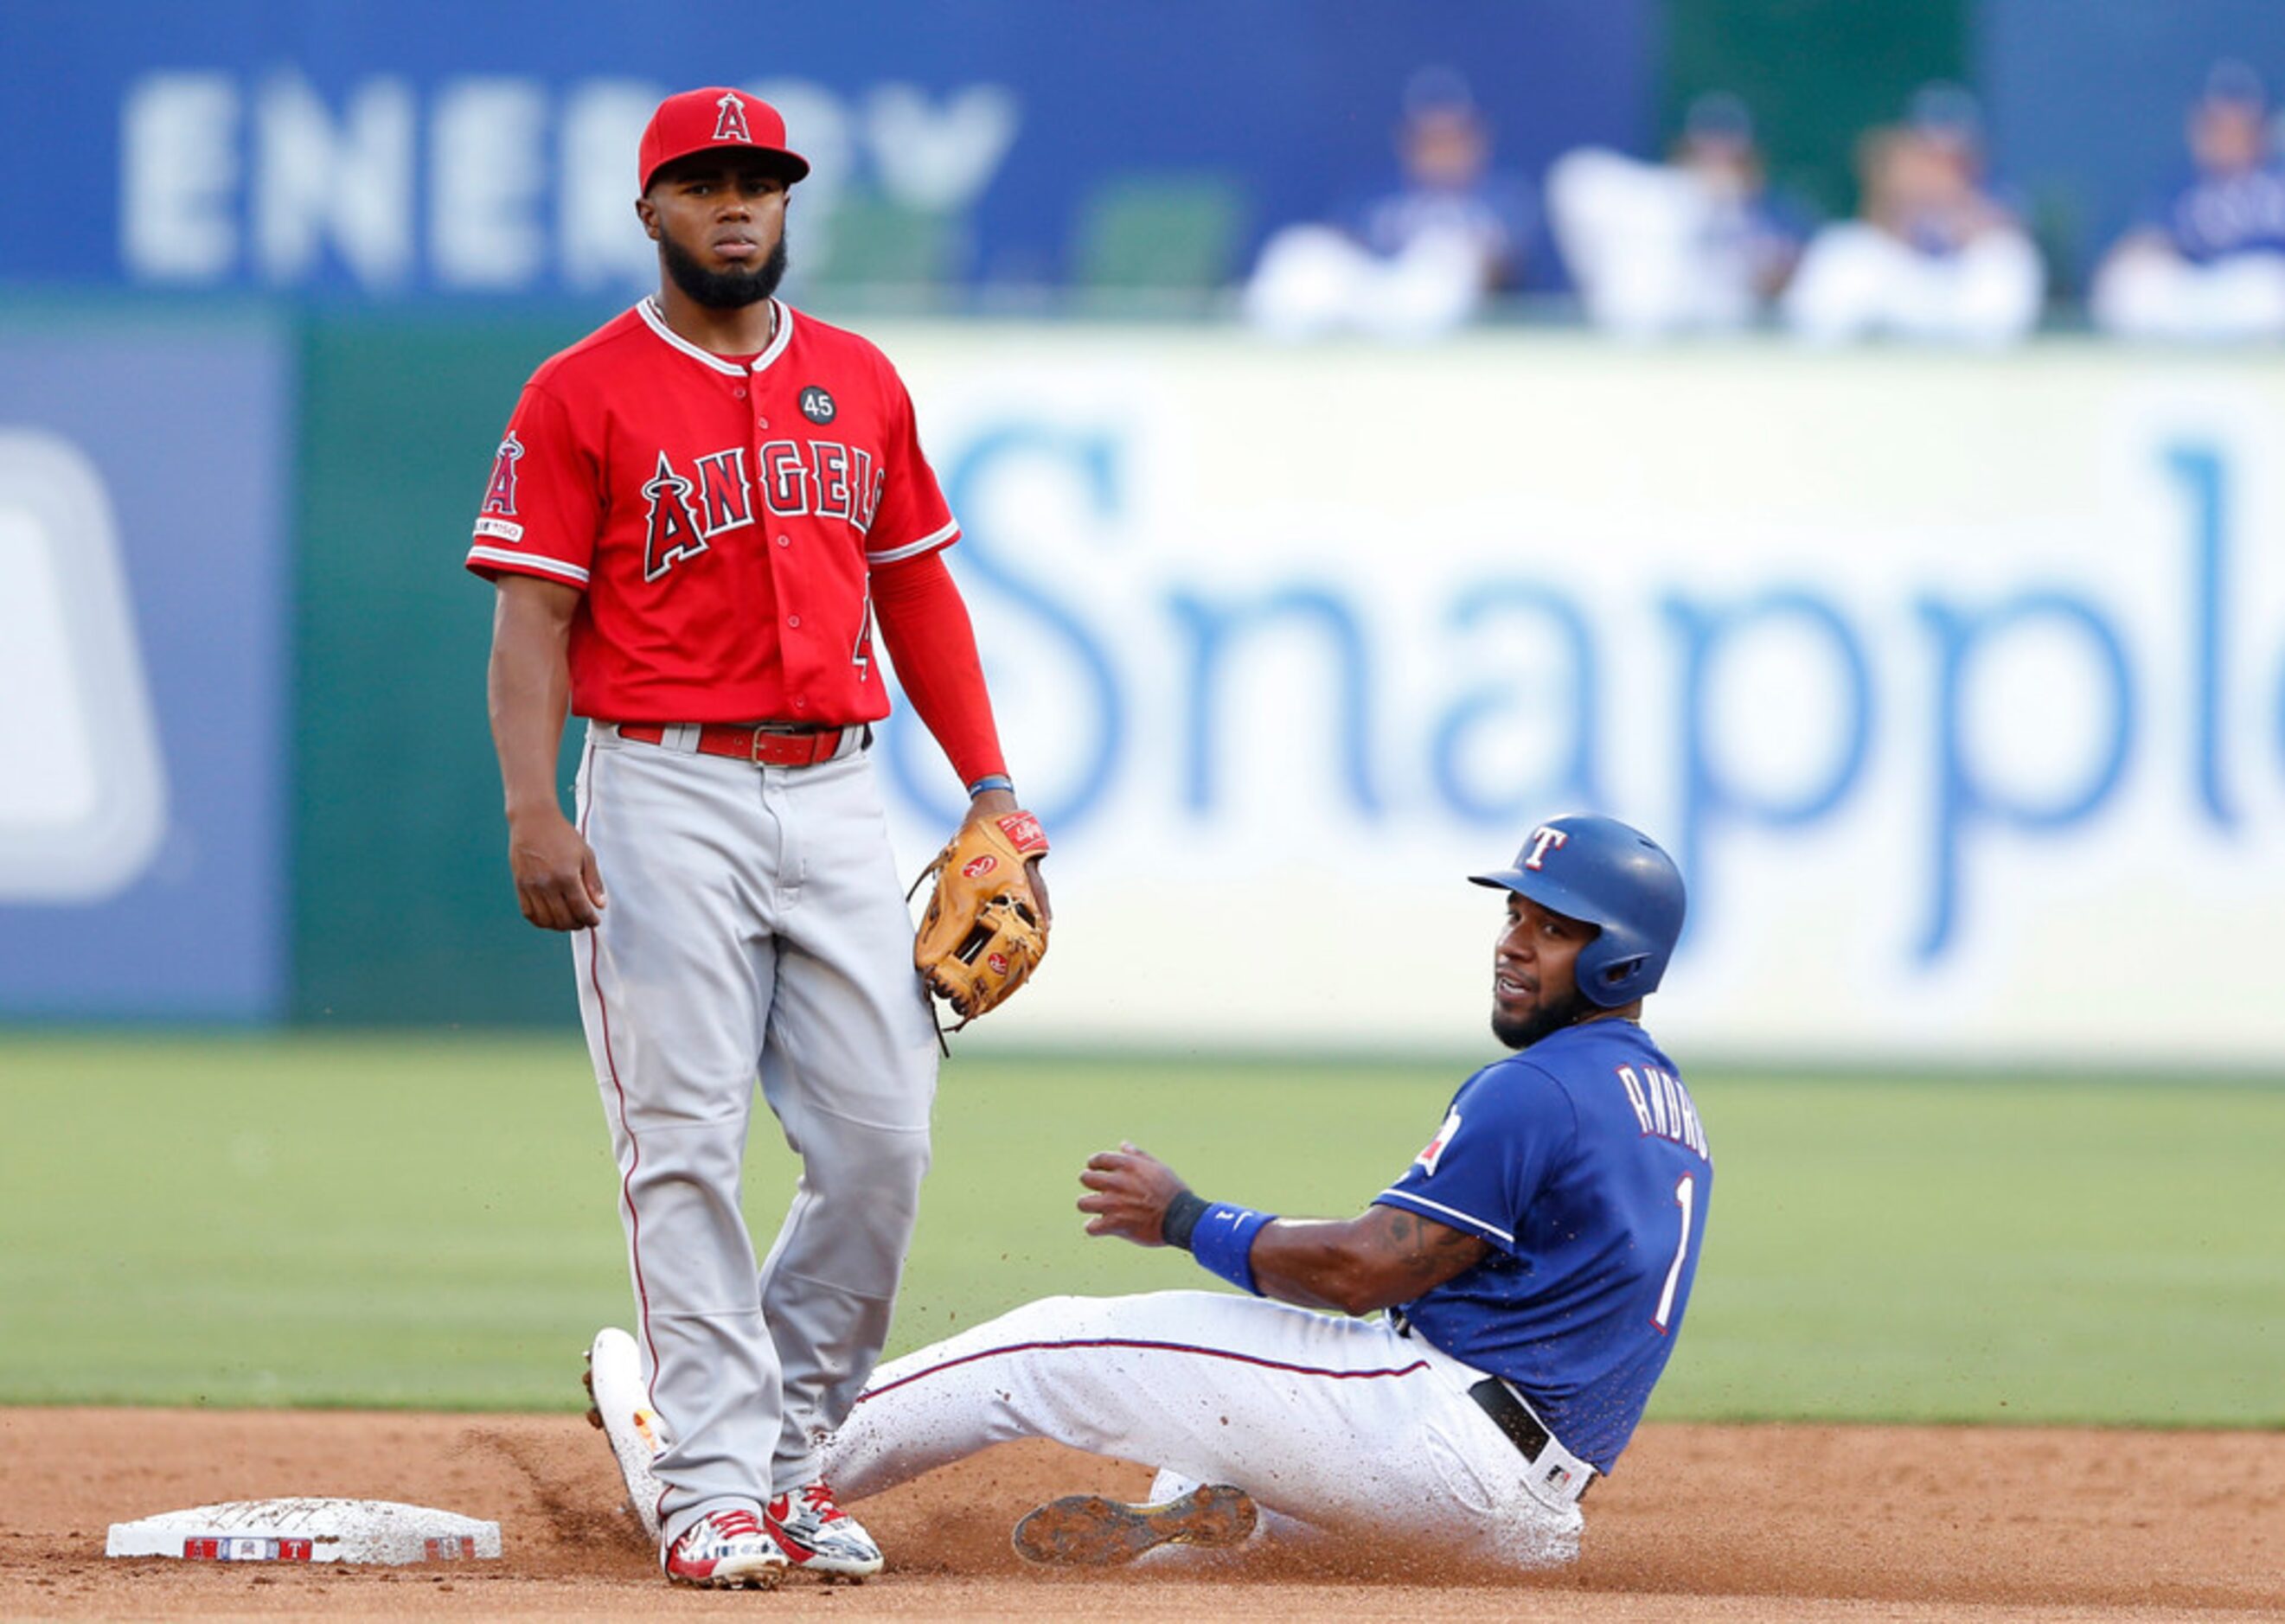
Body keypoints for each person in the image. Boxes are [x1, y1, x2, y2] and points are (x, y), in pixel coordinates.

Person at [470, 86, 1046, 1590]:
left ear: (789, 207)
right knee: (683, 1144)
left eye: (760, 182)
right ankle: (712, 1485)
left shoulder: (857, 379)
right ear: (650, 211)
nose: (735, 205)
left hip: (843, 794)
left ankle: (778, 1461)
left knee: (882, 1141)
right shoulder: (579, 389)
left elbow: (914, 588)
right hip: (661, 789)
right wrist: (536, 803)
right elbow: (530, 618)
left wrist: (986, 784)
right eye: (703, 182)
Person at [589, 813, 1706, 1570]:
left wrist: (1188, 1218)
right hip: (1531, 1520)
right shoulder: (1672, 1118)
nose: (1514, 943)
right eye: (1512, 914)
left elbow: (1366, 1270)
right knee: (1223, 1436)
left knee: (1053, 1345)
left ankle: (739, 1476)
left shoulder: (1539, 1090)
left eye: (1551, 927)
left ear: (1618, 957)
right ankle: (1209, 1522)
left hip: (1436, 1439)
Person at [1242, 67, 1537, 342]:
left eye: (1452, 137)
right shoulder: (1378, 198)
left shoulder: (1502, 196)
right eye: (1430, 139)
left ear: (1477, 140)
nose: (1441, 150)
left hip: (1445, 314)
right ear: (1407, 142)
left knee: (1445, 254)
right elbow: (1346, 245)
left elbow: (1501, 270)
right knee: (1301, 246)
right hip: (1377, 295)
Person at [1783, 83, 2043, 346]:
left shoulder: (2001, 255)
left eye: (1955, 164)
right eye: (1926, 159)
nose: (1937, 177)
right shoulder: (1847, 252)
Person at [1546, 92, 1806, 337]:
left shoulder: (1773, 215)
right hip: (1633, 341)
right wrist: (1694, 194)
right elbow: (1573, 176)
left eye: (1731, 159)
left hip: (1724, 350)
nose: (1717, 167)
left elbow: (1788, 281)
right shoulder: (1651, 201)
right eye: (1704, 155)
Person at [2091, 61, 2285, 342]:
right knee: (2135, 287)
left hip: (2262, 287)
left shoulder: (2275, 179)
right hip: (2198, 292)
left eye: (2237, 126)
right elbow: (2149, 240)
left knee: (2265, 290)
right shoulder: (2184, 184)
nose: (2225, 137)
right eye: (2215, 126)